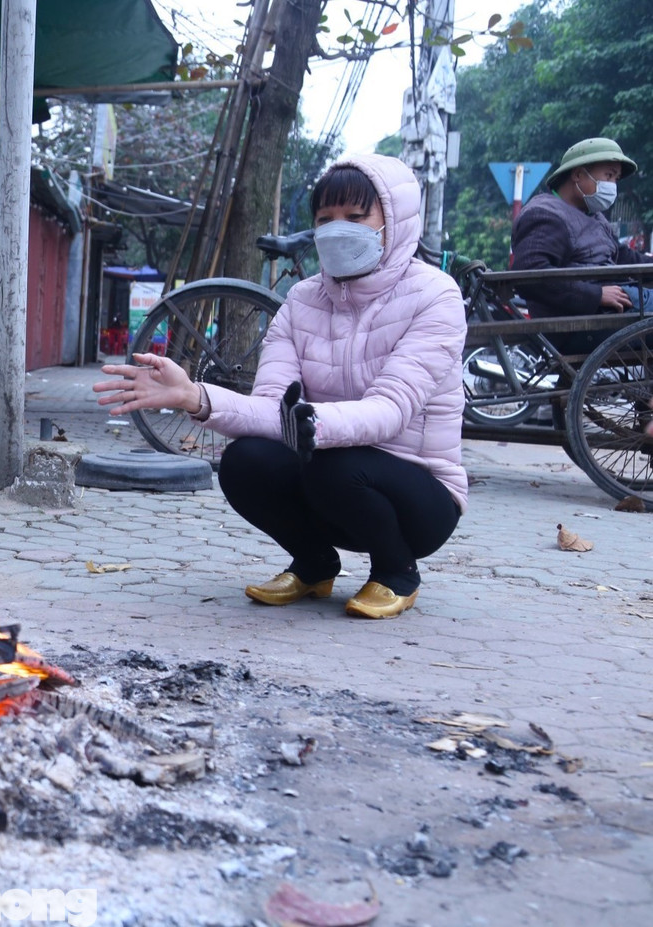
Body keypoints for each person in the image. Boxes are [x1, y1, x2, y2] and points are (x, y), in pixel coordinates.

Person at [94, 154, 467, 619]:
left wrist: (311, 425)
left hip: (419, 496)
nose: (337, 229)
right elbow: (271, 406)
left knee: (331, 465)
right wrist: (196, 396)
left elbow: (391, 408)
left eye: (356, 217)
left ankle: (396, 571)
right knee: (244, 461)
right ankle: (314, 564)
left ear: (394, 222)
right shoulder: (302, 299)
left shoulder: (436, 296)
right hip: (331, 475)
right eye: (324, 219)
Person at [511, 137, 653, 355]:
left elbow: (622, 256)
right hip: (582, 324)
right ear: (578, 175)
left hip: (614, 311)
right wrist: (596, 295)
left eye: (615, 178)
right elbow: (529, 275)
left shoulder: (593, 216)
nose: (612, 185)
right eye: (608, 175)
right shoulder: (546, 214)